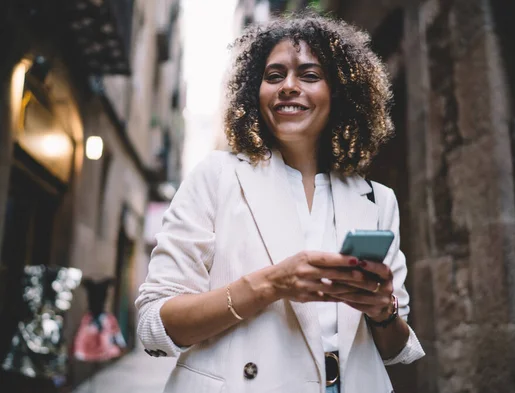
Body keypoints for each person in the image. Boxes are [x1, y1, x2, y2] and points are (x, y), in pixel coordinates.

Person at [135, 12, 425, 393]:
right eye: (274, 76)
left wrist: (382, 312)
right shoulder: (217, 177)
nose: (289, 86)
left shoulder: (377, 199)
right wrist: (271, 284)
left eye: (309, 75)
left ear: (336, 92)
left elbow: (394, 347)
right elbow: (154, 324)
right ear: (256, 93)